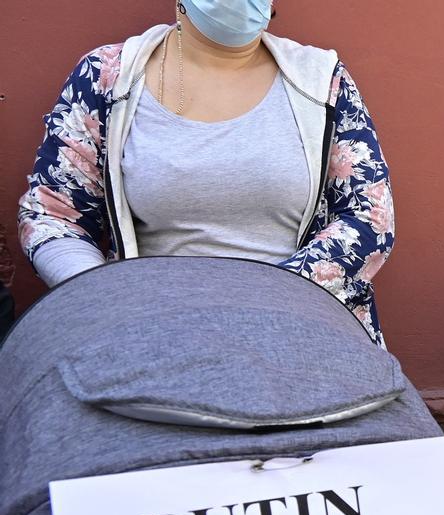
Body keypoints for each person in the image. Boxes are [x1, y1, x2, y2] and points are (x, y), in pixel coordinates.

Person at [17, 0, 394, 344]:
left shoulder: (321, 80)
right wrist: (107, 298)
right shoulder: (108, 77)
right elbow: (52, 215)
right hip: (147, 332)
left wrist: (270, 297)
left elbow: (370, 217)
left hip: (299, 325)